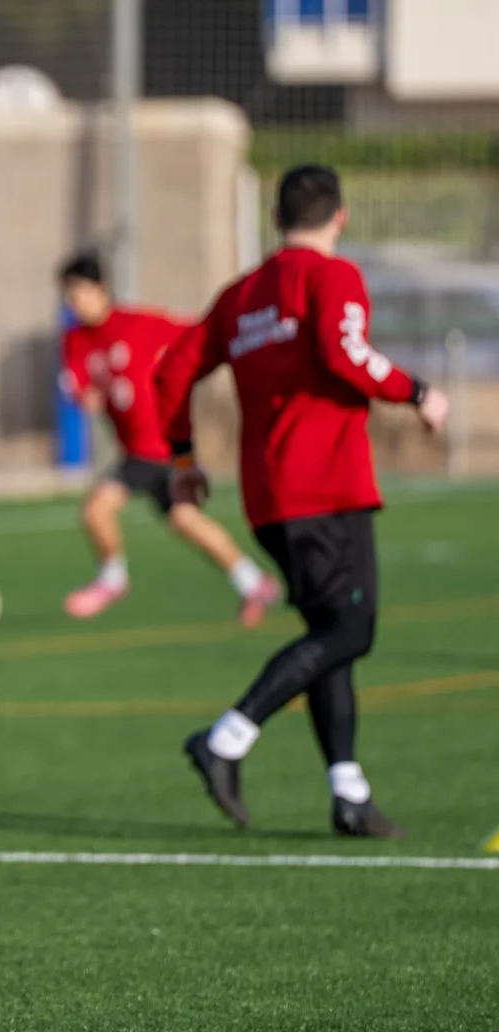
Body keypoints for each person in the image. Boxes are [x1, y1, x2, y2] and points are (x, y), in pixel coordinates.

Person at [155, 164, 449, 838]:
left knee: (329, 635)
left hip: (270, 498)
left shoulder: (241, 295)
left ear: (276, 220)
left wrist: (184, 461)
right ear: (340, 216)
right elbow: (345, 352)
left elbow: (172, 370)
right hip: (327, 489)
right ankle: (226, 739)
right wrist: (417, 392)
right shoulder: (331, 276)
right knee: (350, 631)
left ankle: (349, 793)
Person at [58, 252, 279, 623]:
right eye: (68, 295)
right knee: (175, 519)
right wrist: (87, 396)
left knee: (120, 511)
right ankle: (254, 583)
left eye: (78, 292)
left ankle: (113, 581)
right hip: (135, 451)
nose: (73, 302)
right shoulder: (75, 339)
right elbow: (80, 388)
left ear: (101, 289)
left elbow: (199, 337)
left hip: (163, 446)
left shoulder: (139, 324)